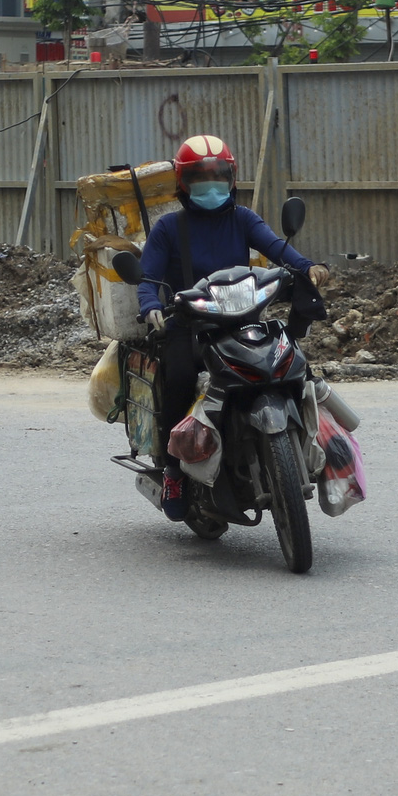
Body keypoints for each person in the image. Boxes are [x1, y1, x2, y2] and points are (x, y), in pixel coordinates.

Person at [135, 134, 331, 521]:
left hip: (240, 321)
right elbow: (147, 278)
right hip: (189, 326)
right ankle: (174, 469)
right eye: (199, 177)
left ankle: (321, 444)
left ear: (232, 177)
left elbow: (277, 248)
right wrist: (151, 306)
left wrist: (308, 267)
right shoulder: (169, 229)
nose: (211, 184)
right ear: (183, 183)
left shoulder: (243, 219)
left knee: (294, 365)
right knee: (177, 378)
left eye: (218, 175)